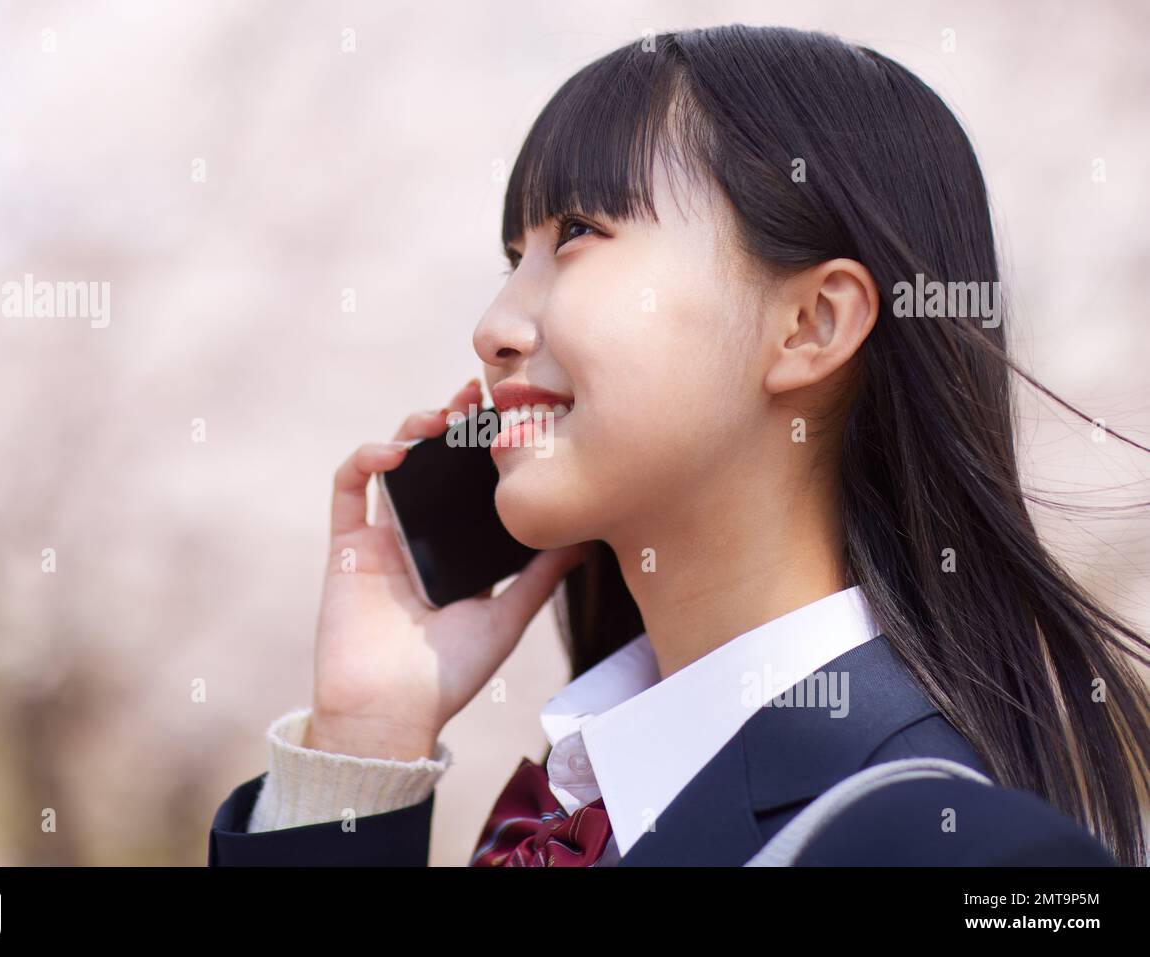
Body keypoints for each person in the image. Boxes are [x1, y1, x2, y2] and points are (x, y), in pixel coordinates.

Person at [208, 24, 1148, 866]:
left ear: (811, 324)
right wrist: (360, 748)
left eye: (578, 232)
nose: (493, 327)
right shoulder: (577, 801)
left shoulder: (960, 853)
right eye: (513, 260)